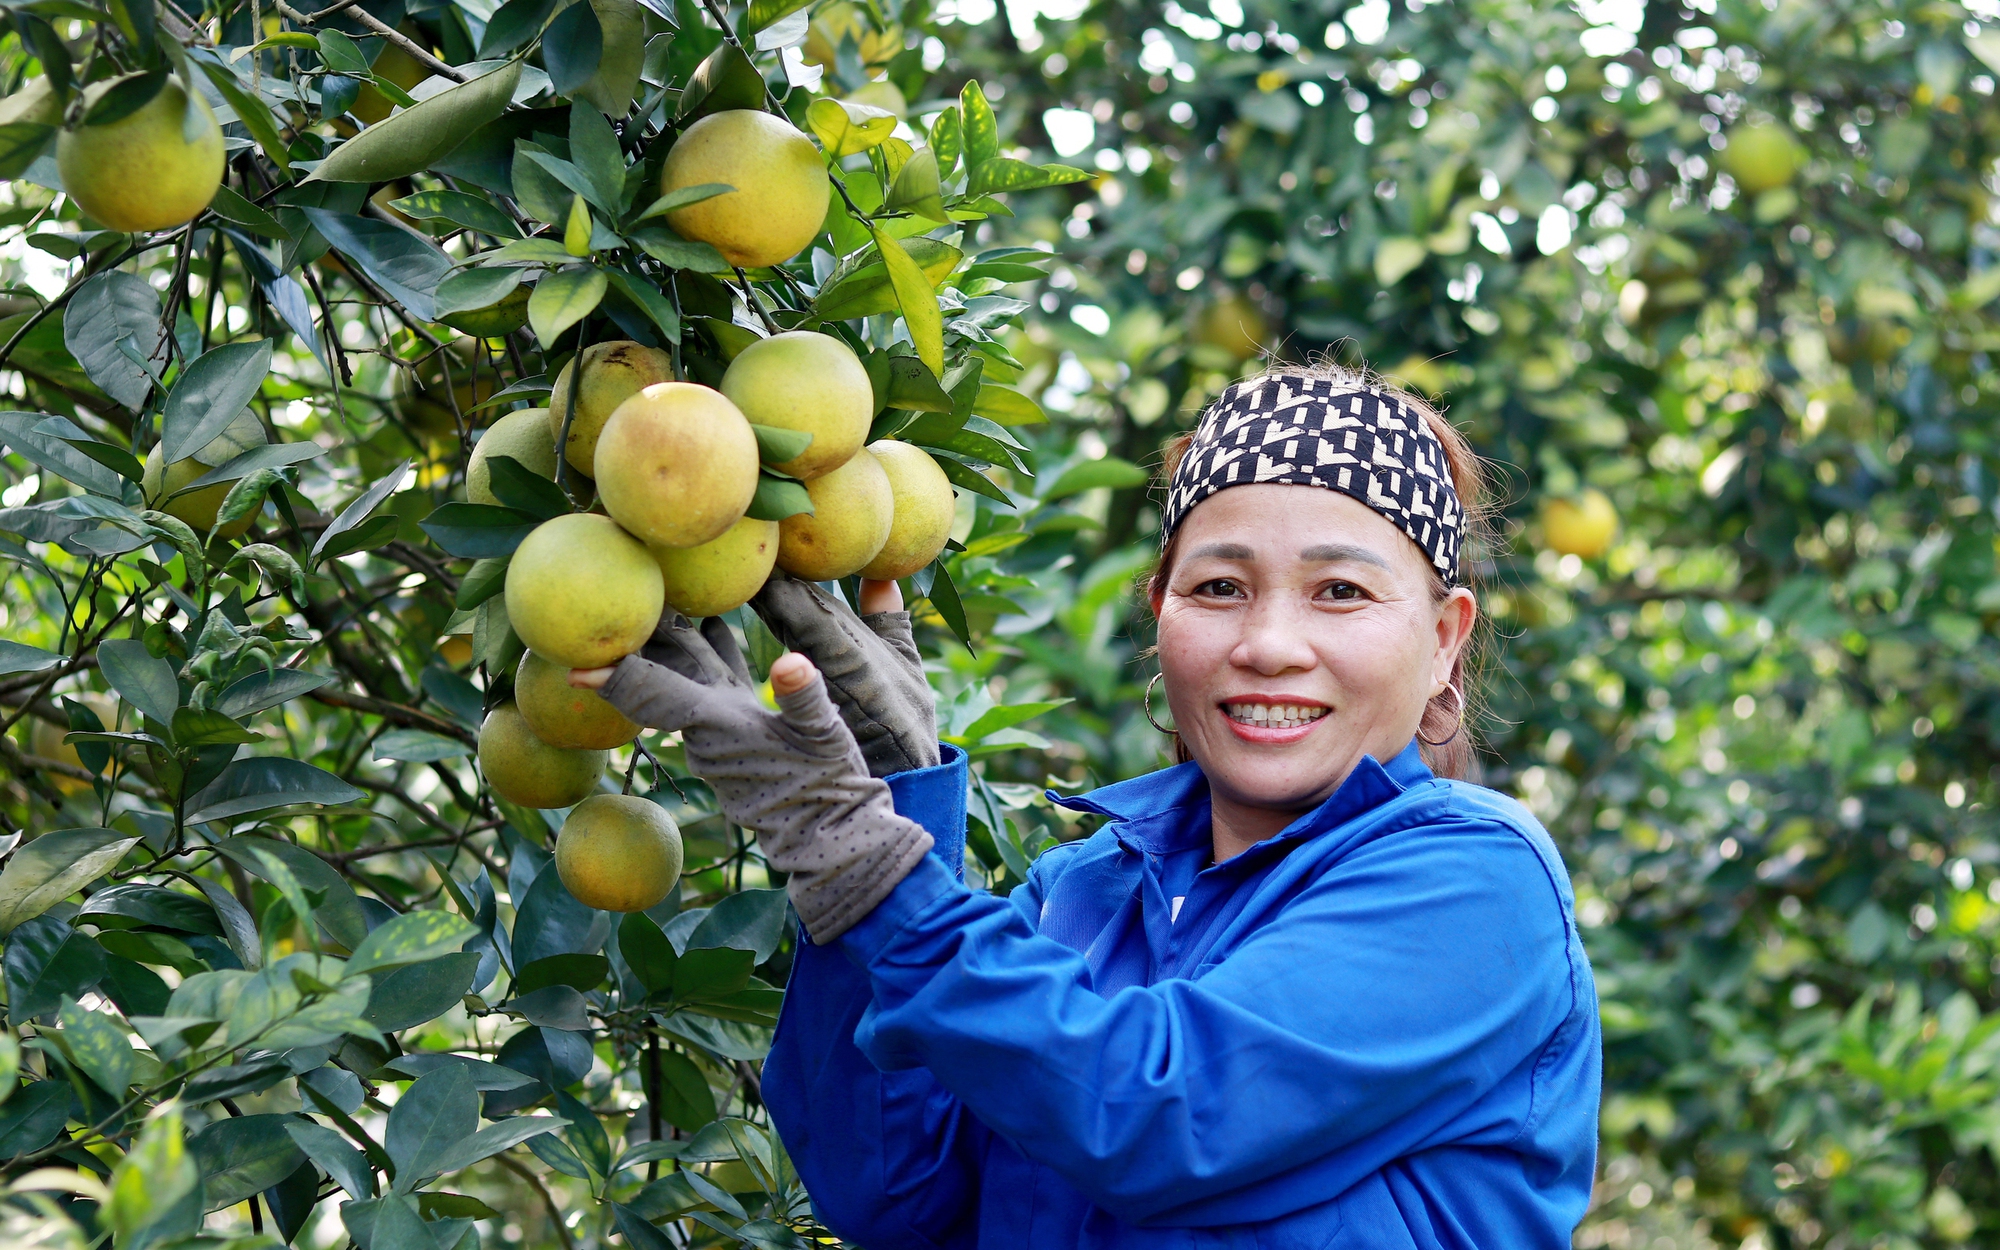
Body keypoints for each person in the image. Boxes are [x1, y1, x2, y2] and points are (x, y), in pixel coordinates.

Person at [572, 362, 1603, 1248]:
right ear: (1159, 617)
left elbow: (1158, 1108)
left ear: (1443, 639)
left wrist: (853, 847)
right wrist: (898, 794)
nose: (1268, 643)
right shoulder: (1077, 893)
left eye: (1339, 591)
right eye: (1217, 588)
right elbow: (886, 1193)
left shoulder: (1477, 880)